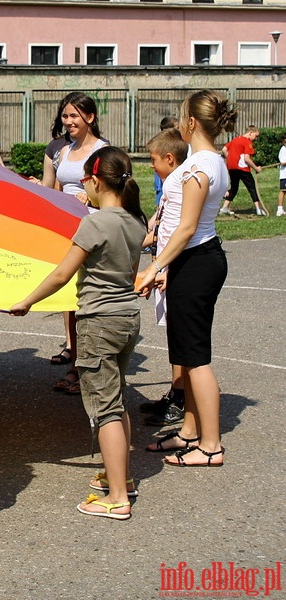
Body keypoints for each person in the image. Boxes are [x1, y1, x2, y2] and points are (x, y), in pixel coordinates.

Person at [11, 146, 147, 520]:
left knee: (104, 409)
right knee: (116, 399)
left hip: (98, 323)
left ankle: (117, 497)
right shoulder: (137, 222)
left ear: (93, 180)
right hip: (127, 318)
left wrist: (26, 301)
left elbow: (61, 274)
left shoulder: (95, 223)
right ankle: (123, 477)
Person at [136, 89, 233, 468]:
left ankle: (210, 445)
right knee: (186, 352)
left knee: (196, 357)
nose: (178, 122)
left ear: (191, 122)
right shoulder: (212, 161)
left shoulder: (197, 168)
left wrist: (155, 266)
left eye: (181, 116)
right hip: (194, 261)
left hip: (195, 261)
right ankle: (190, 431)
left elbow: (186, 227)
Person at [51, 92, 108, 394]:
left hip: (93, 228)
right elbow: (57, 188)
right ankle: (76, 363)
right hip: (66, 228)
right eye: (65, 116)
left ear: (90, 117)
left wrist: (91, 197)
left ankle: (90, 368)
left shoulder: (103, 151)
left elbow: (114, 194)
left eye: (74, 116)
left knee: (89, 299)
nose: (69, 121)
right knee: (71, 300)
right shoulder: (64, 151)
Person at [139, 128, 189, 427]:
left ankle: (181, 398)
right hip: (166, 265)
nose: (151, 165)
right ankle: (176, 391)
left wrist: (166, 269)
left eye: (153, 159)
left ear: (169, 159)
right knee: (173, 335)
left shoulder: (180, 185)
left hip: (173, 267)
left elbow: (183, 233)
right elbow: (159, 229)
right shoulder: (172, 182)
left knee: (181, 338)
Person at [220, 125, 265, 216]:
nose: (256, 138)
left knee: (234, 187)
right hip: (242, 169)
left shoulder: (235, 139)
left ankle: (224, 208)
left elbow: (224, 149)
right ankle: (258, 209)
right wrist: (256, 168)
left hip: (232, 168)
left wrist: (230, 159)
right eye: (256, 136)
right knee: (252, 187)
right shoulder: (247, 142)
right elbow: (246, 159)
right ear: (250, 133)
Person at [153, 117, 180, 206]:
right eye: (177, 128)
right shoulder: (162, 145)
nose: (179, 130)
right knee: (162, 199)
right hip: (163, 178)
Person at [277, 133, 286, 217]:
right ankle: (279, 209)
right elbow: (283, 162)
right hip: (284, 175)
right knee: (283, 191)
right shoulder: (283, 149)